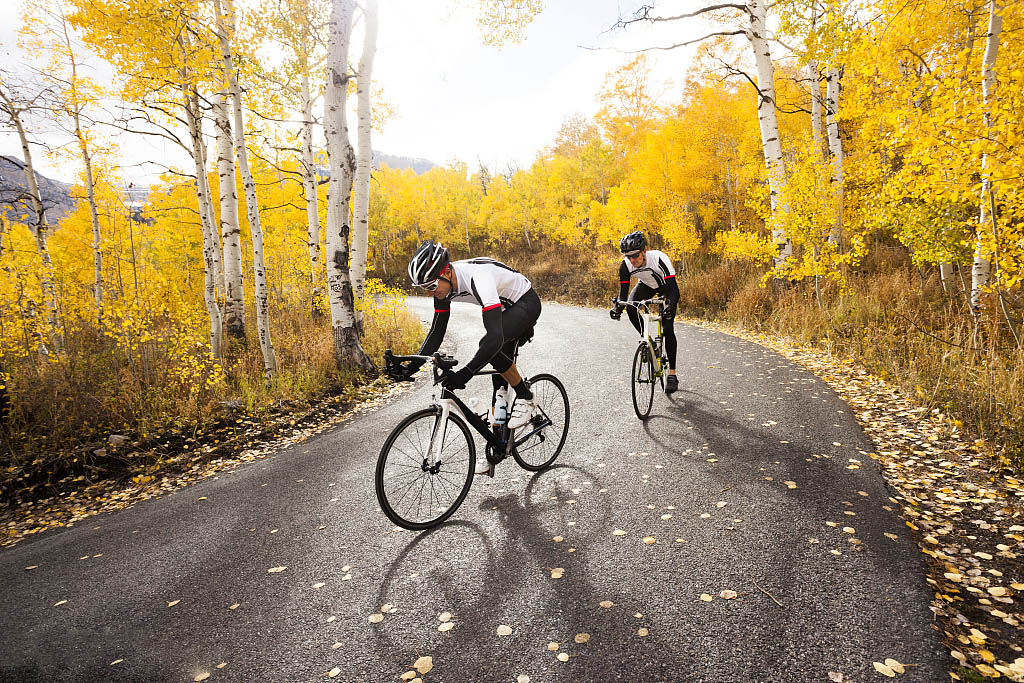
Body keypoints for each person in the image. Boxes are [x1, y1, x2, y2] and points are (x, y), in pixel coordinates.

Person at [395, 240, 542, 474]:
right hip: (503, 309)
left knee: (489, 346)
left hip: (525, 303)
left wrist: (465, 374)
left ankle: (526, 396)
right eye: (425, 289)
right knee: (498, 381)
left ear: (445, 271)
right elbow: (436, 332)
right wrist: (412, 365)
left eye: (432, 286)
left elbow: (493, 339)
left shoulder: (478, 277)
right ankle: (498, 445)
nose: (432, 293)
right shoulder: (441, 284)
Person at [609, 230, 680, 394]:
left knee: (668, 327)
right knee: (631, 307)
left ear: (644, 251)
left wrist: (670, 305)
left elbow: (674, 290)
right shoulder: (625, 265)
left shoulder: (659, 259)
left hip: (665, 288)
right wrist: (617, 308)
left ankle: (672, 374)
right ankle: (649, 343)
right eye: (628, 256)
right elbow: (623, 295)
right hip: (646, 286)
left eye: (635, 255)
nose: (632, 260)